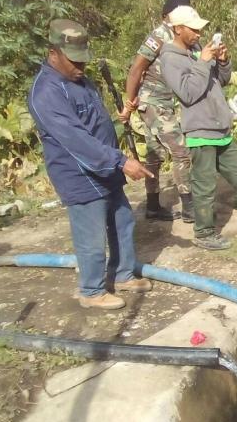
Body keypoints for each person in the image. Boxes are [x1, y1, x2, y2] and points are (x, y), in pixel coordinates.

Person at [28, 19, 154, 310]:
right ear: (53, 53)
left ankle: (123, 274)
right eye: (74, 61)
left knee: (122, 221)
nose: (80, 67)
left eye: (83, 60)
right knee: (91, 236)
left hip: (106, 167)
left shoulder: (80, 80)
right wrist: (121, 161)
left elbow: (96, 124)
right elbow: (76, 140)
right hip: (79, 174)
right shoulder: (46, 92)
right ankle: (92, 290)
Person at [159, 5, 237, 250]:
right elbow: (187, 93)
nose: (198, 33)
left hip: (221, 129)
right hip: (201, 132)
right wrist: (204, 62)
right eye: (193, 29)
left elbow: (222, 81)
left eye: (199, 29)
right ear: (178, 29)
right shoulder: (170, 58)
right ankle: (204, 233)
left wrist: (223, 62)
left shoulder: (196, 51)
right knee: (205, 186)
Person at [120, 0, 193, 222]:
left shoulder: (186, 36)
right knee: (181, 151)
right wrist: (128, 104)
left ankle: (152, 205)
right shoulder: (159, 35)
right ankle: (190, 206)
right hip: (152, 102)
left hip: (167, 103)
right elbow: (137, 68)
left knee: (155, 154)